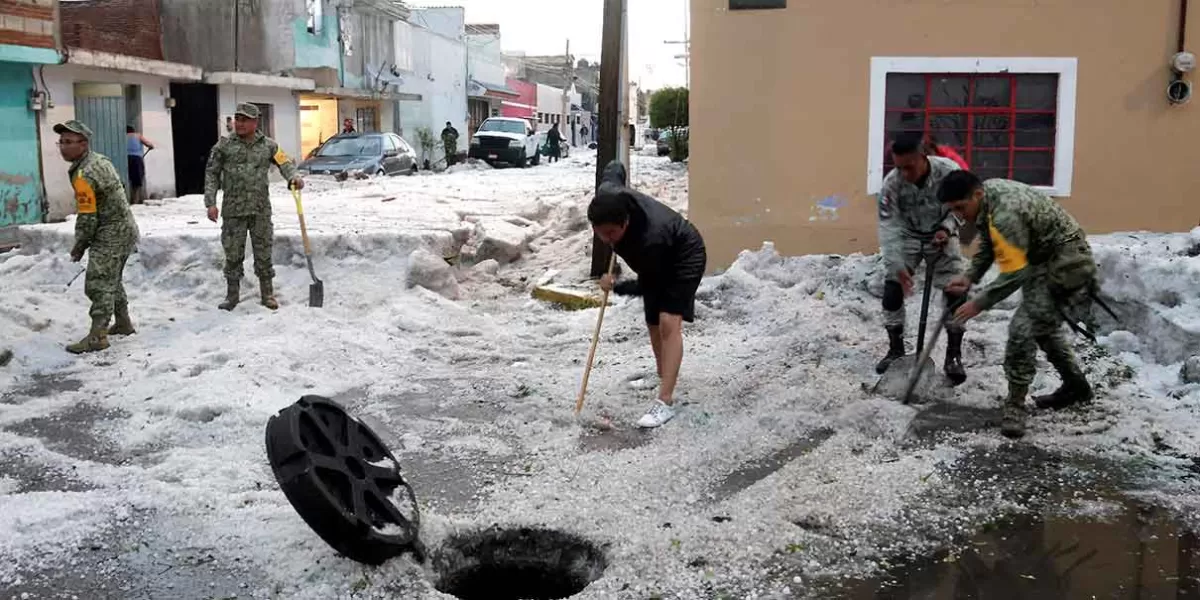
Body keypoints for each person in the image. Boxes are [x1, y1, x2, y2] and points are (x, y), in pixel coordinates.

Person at [942, 171, 1099, 439]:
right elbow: (992, 245)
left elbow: (1015, 272)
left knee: (1023, 328)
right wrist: (970, 276)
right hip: (1040, 258)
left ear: (977, 194)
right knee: (1041, 325)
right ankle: (1076, 387)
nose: (959, 215)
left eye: (961, 207)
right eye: (953, 210)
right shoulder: (988, 198)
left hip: (1066, 261)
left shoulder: (1005, 213)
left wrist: (979, 302)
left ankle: (1015, 404)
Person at [588, 159, 707, 428]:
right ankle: (663, 374)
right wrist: (616, 164)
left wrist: (615, 285)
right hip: (655, 264)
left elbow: (648, 285)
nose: (607, 239)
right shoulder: (608, 196)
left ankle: (665, 402)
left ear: (625, 223)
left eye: (611, 234)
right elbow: (613, 171)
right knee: (652, 321)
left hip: (684, 255)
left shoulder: (651, 237)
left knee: (668, 321)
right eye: (601, 234)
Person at [875, 132, 968, 384]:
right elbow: (888, 226)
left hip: (943, 232)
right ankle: (895, 350)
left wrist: (947, 228)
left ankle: (953, 355)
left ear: (923, 156)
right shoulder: (891, 184)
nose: (905, 173)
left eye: (910, 167)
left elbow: (963, 205)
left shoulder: (949, 172)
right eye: (899, 167)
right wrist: (897, 265)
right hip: (908, 236)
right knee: (892, 289)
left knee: (956, 291)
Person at [204, 103, 304, 311]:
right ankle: (232, 296)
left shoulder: (268, 146)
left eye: (244, 120)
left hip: (260, 209)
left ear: (255, 122)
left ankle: (267, 294)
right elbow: (212, 174)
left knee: (263, 253)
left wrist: (294, 177)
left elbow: (285, 163)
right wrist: (211, 203)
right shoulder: (223, 146)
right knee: (232, 254)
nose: (239, 123)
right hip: (233, 211)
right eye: (237, 119)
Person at [54, 120, 140, 354]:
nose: (63, 147)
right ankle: (123, 323)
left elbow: (87, 216)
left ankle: (97, 337)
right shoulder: (99, 160)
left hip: (111, 232)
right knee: (113, 279)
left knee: (99, 282)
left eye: (69, 142)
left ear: (83, 144)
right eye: (61, 142)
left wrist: (80, 245)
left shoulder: (85, 172)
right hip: (124, 228)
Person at [126, 125, 154, 204]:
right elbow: (149, 144)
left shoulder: (122, 136)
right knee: (137, 180)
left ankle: (127, 198)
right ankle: (135, 200)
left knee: (128, 178)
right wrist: (151, 146)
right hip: (136, 159)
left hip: (125, 158)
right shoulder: (138, 136)